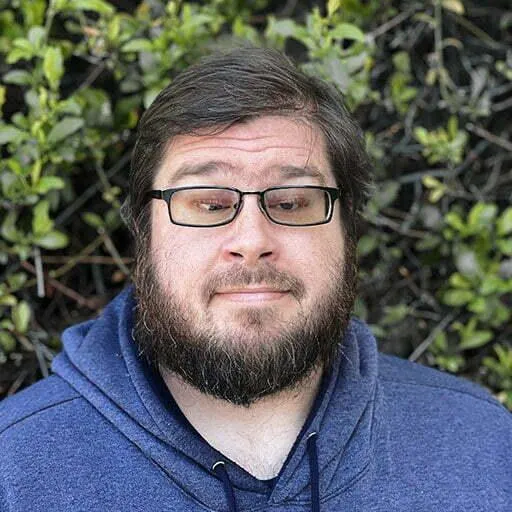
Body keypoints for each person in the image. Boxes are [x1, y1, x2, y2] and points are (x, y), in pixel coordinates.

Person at [0, 47, 510, 512]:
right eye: (207, 203)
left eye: (291, 202)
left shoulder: (482, 445)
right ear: (143, 231)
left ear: (349, 230)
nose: (251, 238)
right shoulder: (15, 472)